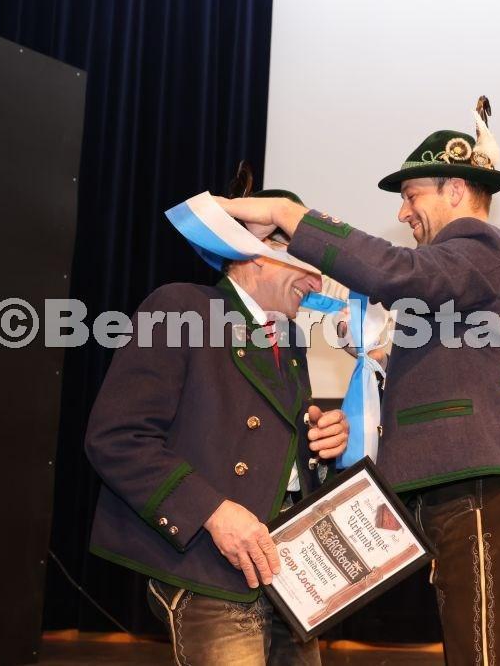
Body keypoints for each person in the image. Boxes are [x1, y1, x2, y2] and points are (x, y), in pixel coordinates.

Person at [218, 102, 500, 666]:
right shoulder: (458, 289)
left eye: (411, 195)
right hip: (460, 499)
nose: (403, 214)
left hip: (483, 497)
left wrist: (286, 214)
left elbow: (393, 272)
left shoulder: (481, 246)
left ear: (456, 189)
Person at [86, 190, 349, 665]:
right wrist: (213, 511)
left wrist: (324, 444)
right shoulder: (183, 307)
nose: (316, 281)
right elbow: (118, 439)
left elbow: (273, 452)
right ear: (259, 250)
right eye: (309, 263)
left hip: (285, 573)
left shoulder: (289, 341)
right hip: (209, 565)